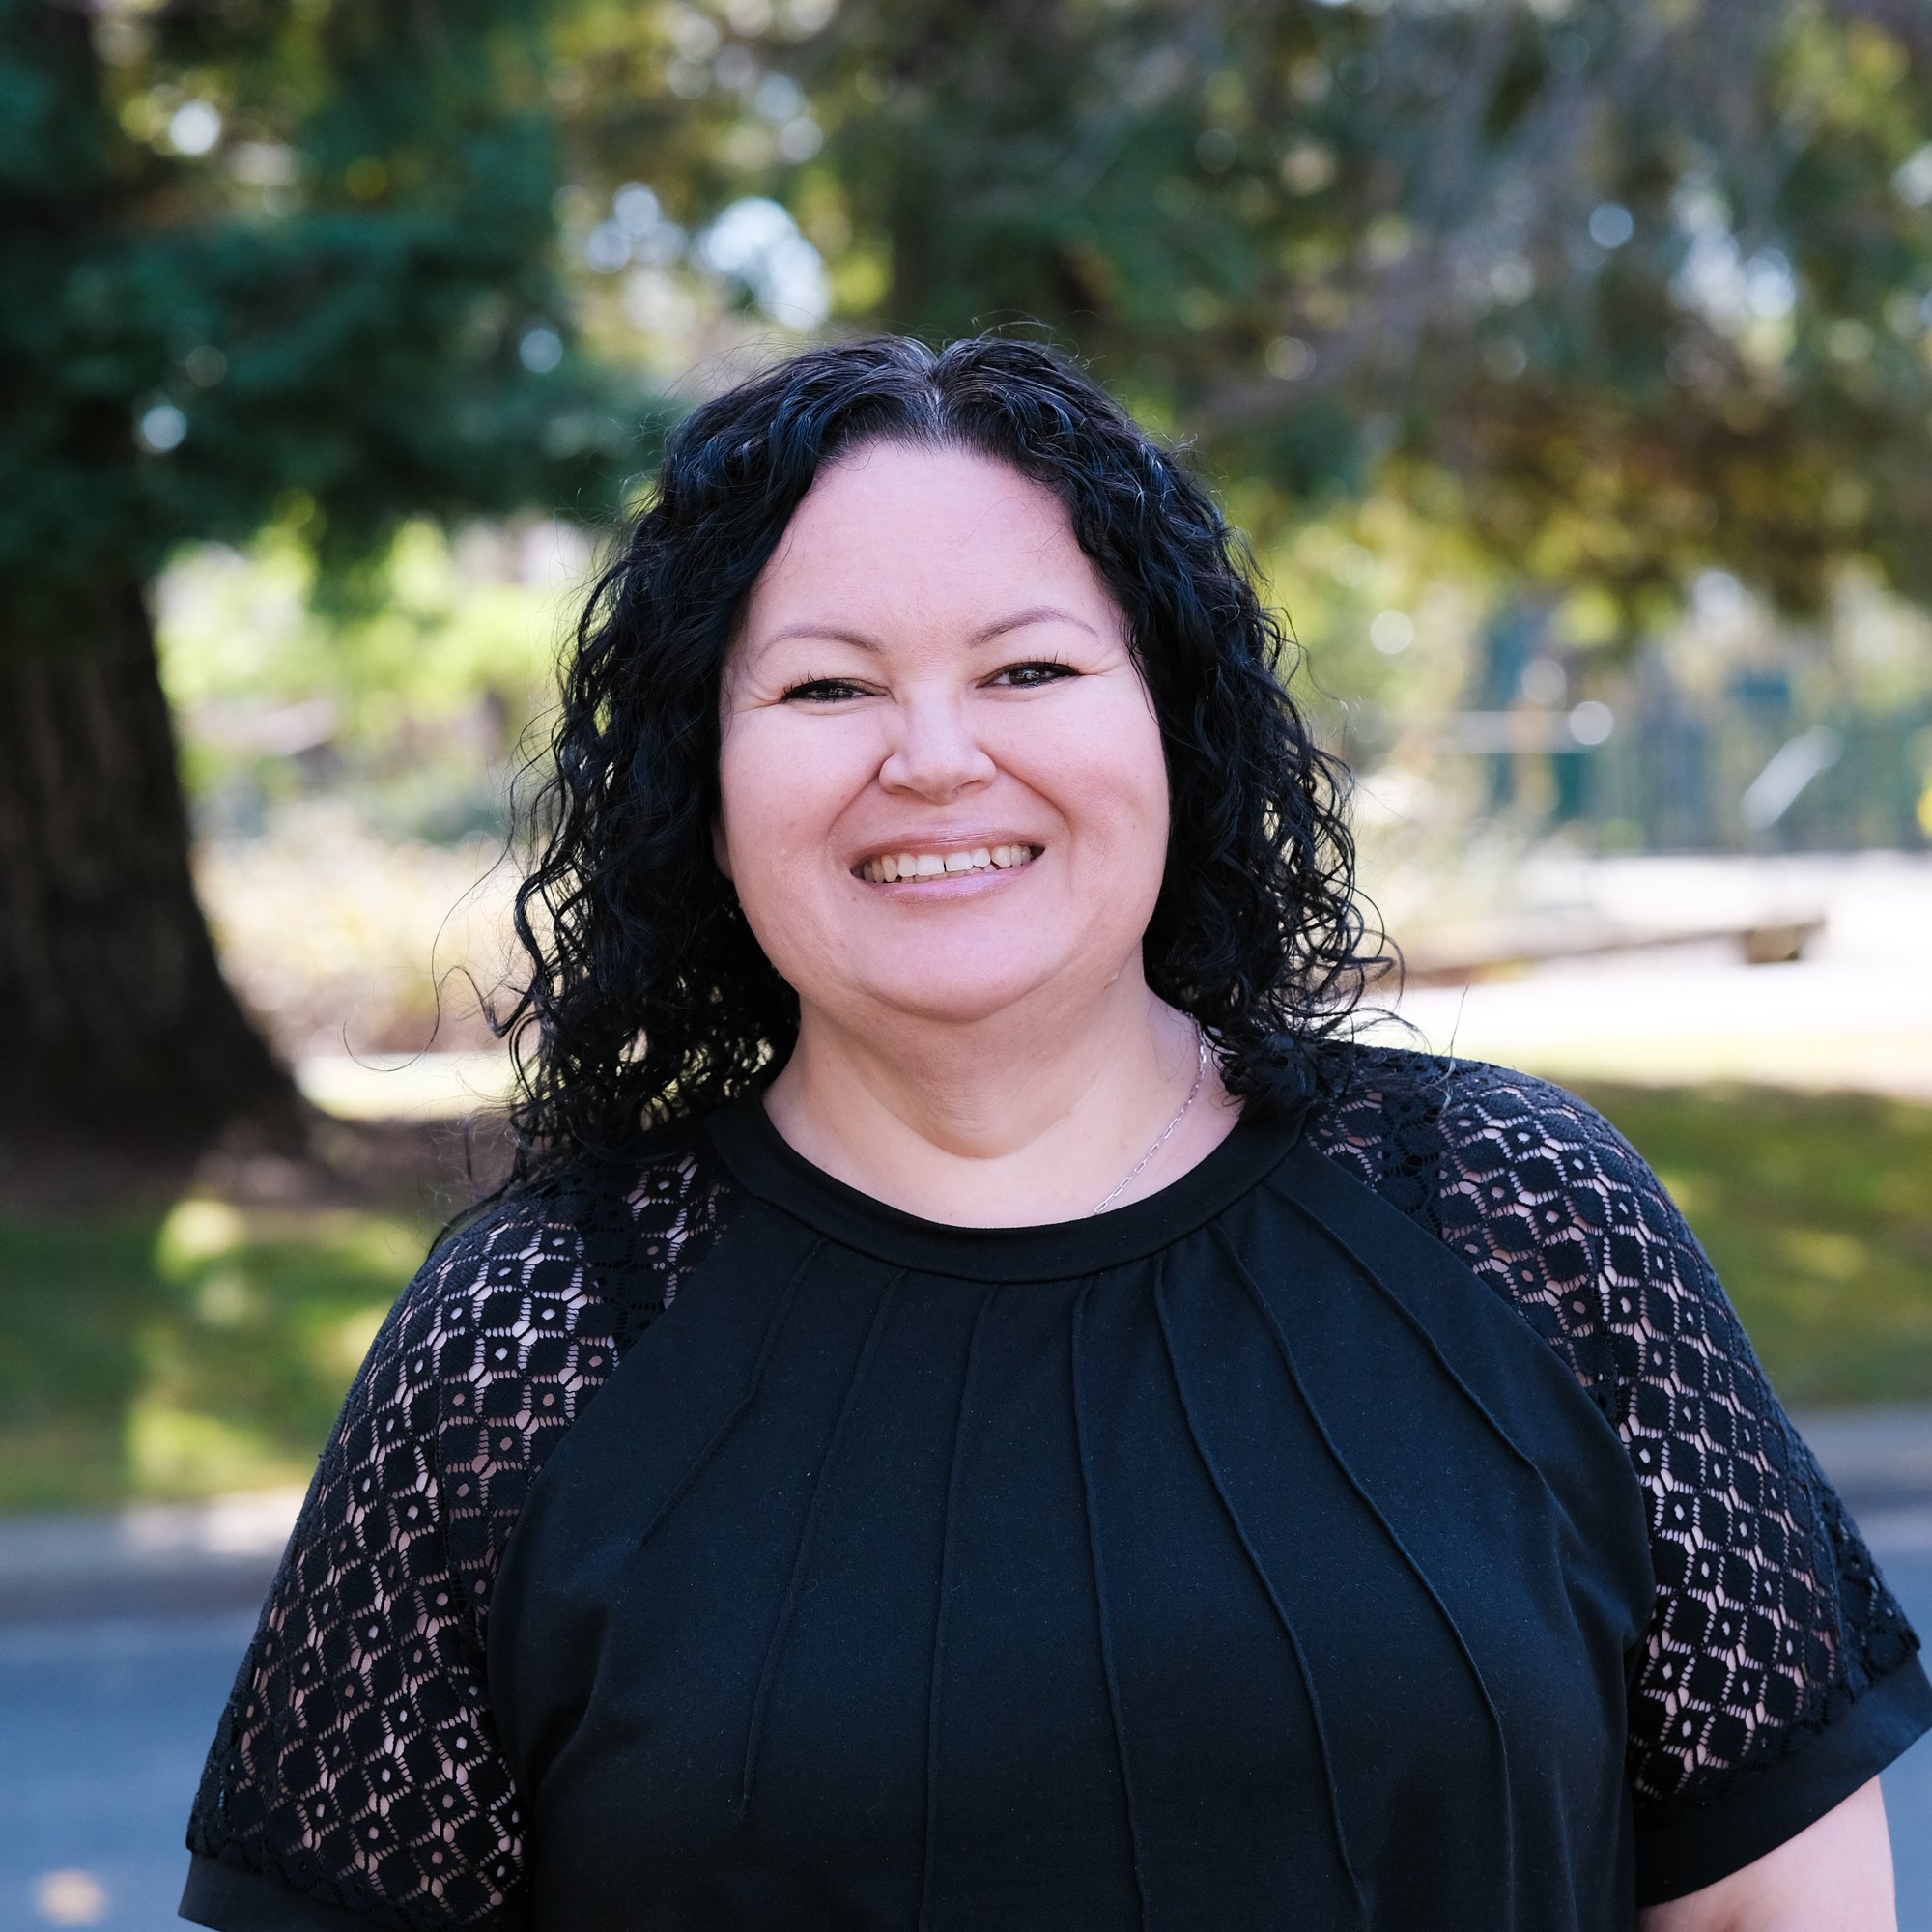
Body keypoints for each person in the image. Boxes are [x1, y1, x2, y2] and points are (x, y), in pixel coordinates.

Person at [181, 335, 1930, 1932]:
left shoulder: (1522, 1223)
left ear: (1169, 724)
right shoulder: (529, 1346)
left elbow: (1783, 1908)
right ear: (699, 787)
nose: (935, 758)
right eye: (824, 690)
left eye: (1025, 667)